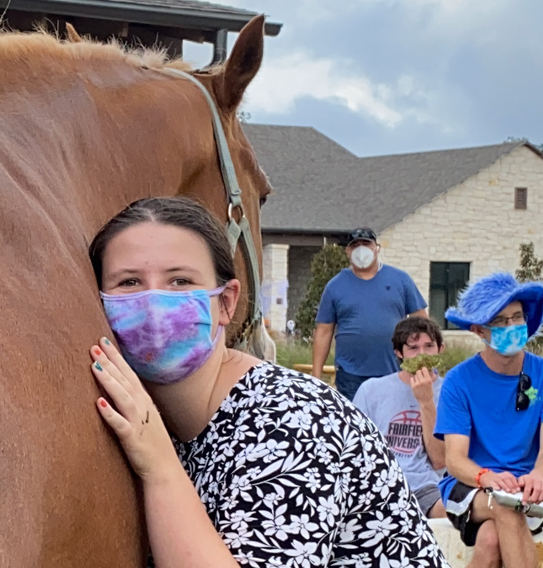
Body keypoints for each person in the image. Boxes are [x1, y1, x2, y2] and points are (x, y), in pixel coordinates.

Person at [87, 197, 448, 567]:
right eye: (129, 282)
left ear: (226, 302)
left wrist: (160, 466)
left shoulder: (294, 420)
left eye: (181, 280)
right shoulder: (154, 417)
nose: (154, 302)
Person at [435, 272, 543, 568]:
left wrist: (537, 474)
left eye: (517, 317)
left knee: (491, 540)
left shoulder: (541, 372)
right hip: (470, 486)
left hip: (529, 486)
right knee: (506, 505)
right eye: (500, 321)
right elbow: (455, 461)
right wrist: (488, 478)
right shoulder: (459, 380)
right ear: (479, 330)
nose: (512, 326)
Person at [312, 228, 428, 401]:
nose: (361, 249)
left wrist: (422, 362)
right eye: (355, 245)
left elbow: (421, 321)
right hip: (350, 375)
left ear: (377, 248)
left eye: (366, 244)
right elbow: (323, 331)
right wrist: (316, 375)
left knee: (390, 424)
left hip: (394, 371)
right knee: (355, 425)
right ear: (347, 251)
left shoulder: (400, 280)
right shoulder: (335, 286)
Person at [353, 316, 448, 519]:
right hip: (377, 484)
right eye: (413, 348)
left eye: (429, 346)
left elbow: (440, 461)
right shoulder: (372, 390)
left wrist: (426, 401)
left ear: (440, 349)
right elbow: (354, 448)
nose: (422, 354)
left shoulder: (451, 392)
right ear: (399, 353)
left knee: (452, 514)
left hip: (425, 486)